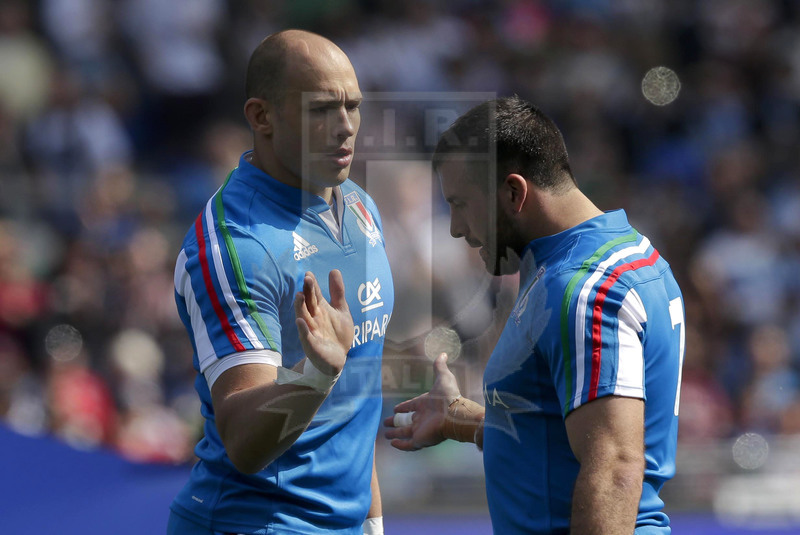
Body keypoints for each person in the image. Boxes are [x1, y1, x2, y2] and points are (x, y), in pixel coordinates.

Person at [385, 96, 685, 534]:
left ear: (513, 192)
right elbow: (563, 439)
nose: (454, 227)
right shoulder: (607, 258)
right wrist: (463, 419)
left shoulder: (584, 288)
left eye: (460, 203)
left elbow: (615, 467)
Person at [169, 30, 393, 535]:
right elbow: (245, 442)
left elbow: (354, 393)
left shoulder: (357, 204)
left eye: (352, 107)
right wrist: (315, 374)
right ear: (260, 116)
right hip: (256, 524)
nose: (345, 128)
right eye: (320, 110)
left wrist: (373, 522)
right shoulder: (237, 247)